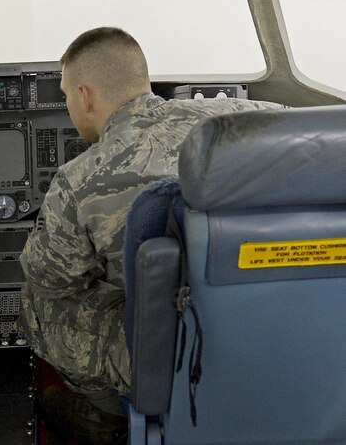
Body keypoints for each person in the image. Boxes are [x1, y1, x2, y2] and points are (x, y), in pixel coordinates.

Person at [19, 27, 280, 440]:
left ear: (84, 96)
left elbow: (49, 278)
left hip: (173, 342)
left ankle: (106, 415)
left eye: (67, 93)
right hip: (269, 316)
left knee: (35, 301)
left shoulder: (79, 179)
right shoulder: (240, 119)